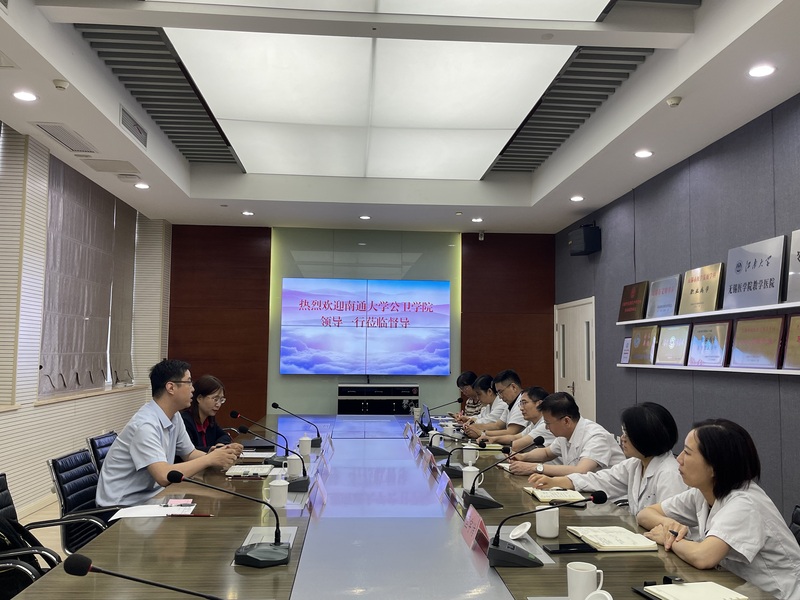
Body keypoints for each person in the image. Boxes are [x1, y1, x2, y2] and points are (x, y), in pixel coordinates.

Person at [637, 419, 800, 600]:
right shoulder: (704, 492)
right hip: (738, 590)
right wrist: (669, 525)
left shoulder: (745, 504)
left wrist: (669, 538)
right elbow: (645, 514)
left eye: (688, 453)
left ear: (715, 466)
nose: (679, 459)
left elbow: (703, 557)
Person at [97, 359, 238, 507]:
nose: (193, 389)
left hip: (154, 497)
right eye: (188, 382)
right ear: (171, 387)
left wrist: (219, 455)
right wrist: (209, 459)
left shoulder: (174, 416)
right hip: (122, 506)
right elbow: (163, 476)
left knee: (200, 507)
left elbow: (189, 454)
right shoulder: (145, 425)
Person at [527, 402, 686, 512]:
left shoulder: (669, 474)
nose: (622, 439)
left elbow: (671, 522)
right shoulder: (634, 464)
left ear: (645, 437)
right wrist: (556, 481)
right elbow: (601, 480)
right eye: (623, 432)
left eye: (627, 434)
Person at [508, 391, 624, 477]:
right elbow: (547, 453)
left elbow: (581, 471)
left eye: (548, 423)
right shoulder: (565, 434)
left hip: (609, 498)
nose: (547, 428)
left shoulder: (596, 437)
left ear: (566, 421)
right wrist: (523, 457)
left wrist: (535, 467)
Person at [180, 374, 244, 455]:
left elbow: (224, 436)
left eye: (221, 400)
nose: (218, 404)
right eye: (215, 399)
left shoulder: (209, 420)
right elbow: (189, 451)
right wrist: (217, 450)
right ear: (199, 398)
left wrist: (220, 445)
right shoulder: (185, 421)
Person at [477, 386, 554, 451]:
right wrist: (493, 439)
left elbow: (516, 445)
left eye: (524, 403)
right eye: (520, 404)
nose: (521, 408)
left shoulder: (545, 425)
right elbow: (515, 437)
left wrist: (482, 433)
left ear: (539, 404)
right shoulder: (533, 424)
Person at [463, 369, 527, 438]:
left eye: (500, 392)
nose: (500, 396)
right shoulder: (510, 403)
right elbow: (497, 425)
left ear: (513, 387)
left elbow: (511, 432)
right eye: (498, 393)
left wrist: (481, 433)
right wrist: (474, 426)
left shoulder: (522, 403)